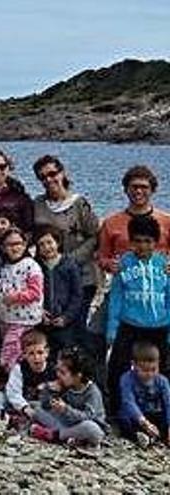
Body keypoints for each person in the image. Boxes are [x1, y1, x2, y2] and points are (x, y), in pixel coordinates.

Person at [106, 215, 170, 411]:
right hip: (130, 324)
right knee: (118, 367)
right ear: (131, 241)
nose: (143, 246)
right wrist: (111, 329)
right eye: (138, 241)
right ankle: (118, 408)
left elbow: (168, 297)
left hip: (159, 325)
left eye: (148, 241)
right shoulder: (123, 263)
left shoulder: (164, 265)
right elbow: (116, 297)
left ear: (156, 242)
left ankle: (160, 408)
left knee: (163, 368)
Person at [31, 155, 99, 325]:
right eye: (42, 177)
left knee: (76, 325)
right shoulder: (38, 203)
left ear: (62, 173)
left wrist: (72, 259)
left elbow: (96, 235)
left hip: (82, 276)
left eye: (52, 173)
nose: (48, 179)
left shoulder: (79, 204)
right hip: (49, 276)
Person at [97, 165, 170, 273]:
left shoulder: (166, 221)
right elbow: (102, 257)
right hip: (125, 283)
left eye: (144, 187)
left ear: (152, 190)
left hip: (160, 284)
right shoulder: (110, 223)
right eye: (134, 187)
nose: (139, 191)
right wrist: (109, 264)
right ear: (126, 190)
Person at [30, 347, 106, 449]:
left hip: (84, 425)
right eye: (58, 371)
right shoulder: (65, 385)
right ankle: (69, 437)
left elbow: (87, 417)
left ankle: (54, 435)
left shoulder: (92, 392)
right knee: (37, 408)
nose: (58, 375)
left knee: (91, 429)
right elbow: (45, 405)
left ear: (78, 376)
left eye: (63, 373)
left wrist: (65, 409)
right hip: (66, 423)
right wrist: (49, 390)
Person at [0, 228, 44, 374]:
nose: (14, 247)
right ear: (3, 247)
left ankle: (12, 381)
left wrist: (14, 297)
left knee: (9, 355)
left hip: (24, 320)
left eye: (18, 243)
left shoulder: (31, 266)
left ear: (25, 245)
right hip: (6, 318)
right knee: (14, 353)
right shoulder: (4, 267)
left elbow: (35, 292)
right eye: (9, 244)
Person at [0, 330, 55, 427]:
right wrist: (24, 407)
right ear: (24, 354)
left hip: (40, 405)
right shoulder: (19, 368)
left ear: (46, 352)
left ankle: (25, 423)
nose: (36, 357)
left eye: (40, 352)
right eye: (31, 354)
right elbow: (13, 393)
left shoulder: (53, 369)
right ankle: (2, 421)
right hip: (21, 403)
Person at [35, 226, 83, 357]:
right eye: (41, 244)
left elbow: (77, 295)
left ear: (58, 243)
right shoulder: (35, 265)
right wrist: (38, 312)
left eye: (49, 242)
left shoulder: (69, 264)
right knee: (45, 354)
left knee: (66, 356)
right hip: (42, 321)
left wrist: (66, 317)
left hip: (64, 322)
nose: (46, 247)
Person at [118, 341, 170, 447]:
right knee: (124, 418)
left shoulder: (162, 381)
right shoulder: (126, 379)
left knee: (163, 422)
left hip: (156, 414)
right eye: (145, 370)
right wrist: (144, 422)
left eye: (153, 369)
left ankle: (159, 437)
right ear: (134, 365)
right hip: (139, 416)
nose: (149, 374)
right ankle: (140, 436)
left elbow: (168, 402)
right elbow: (128, 402)